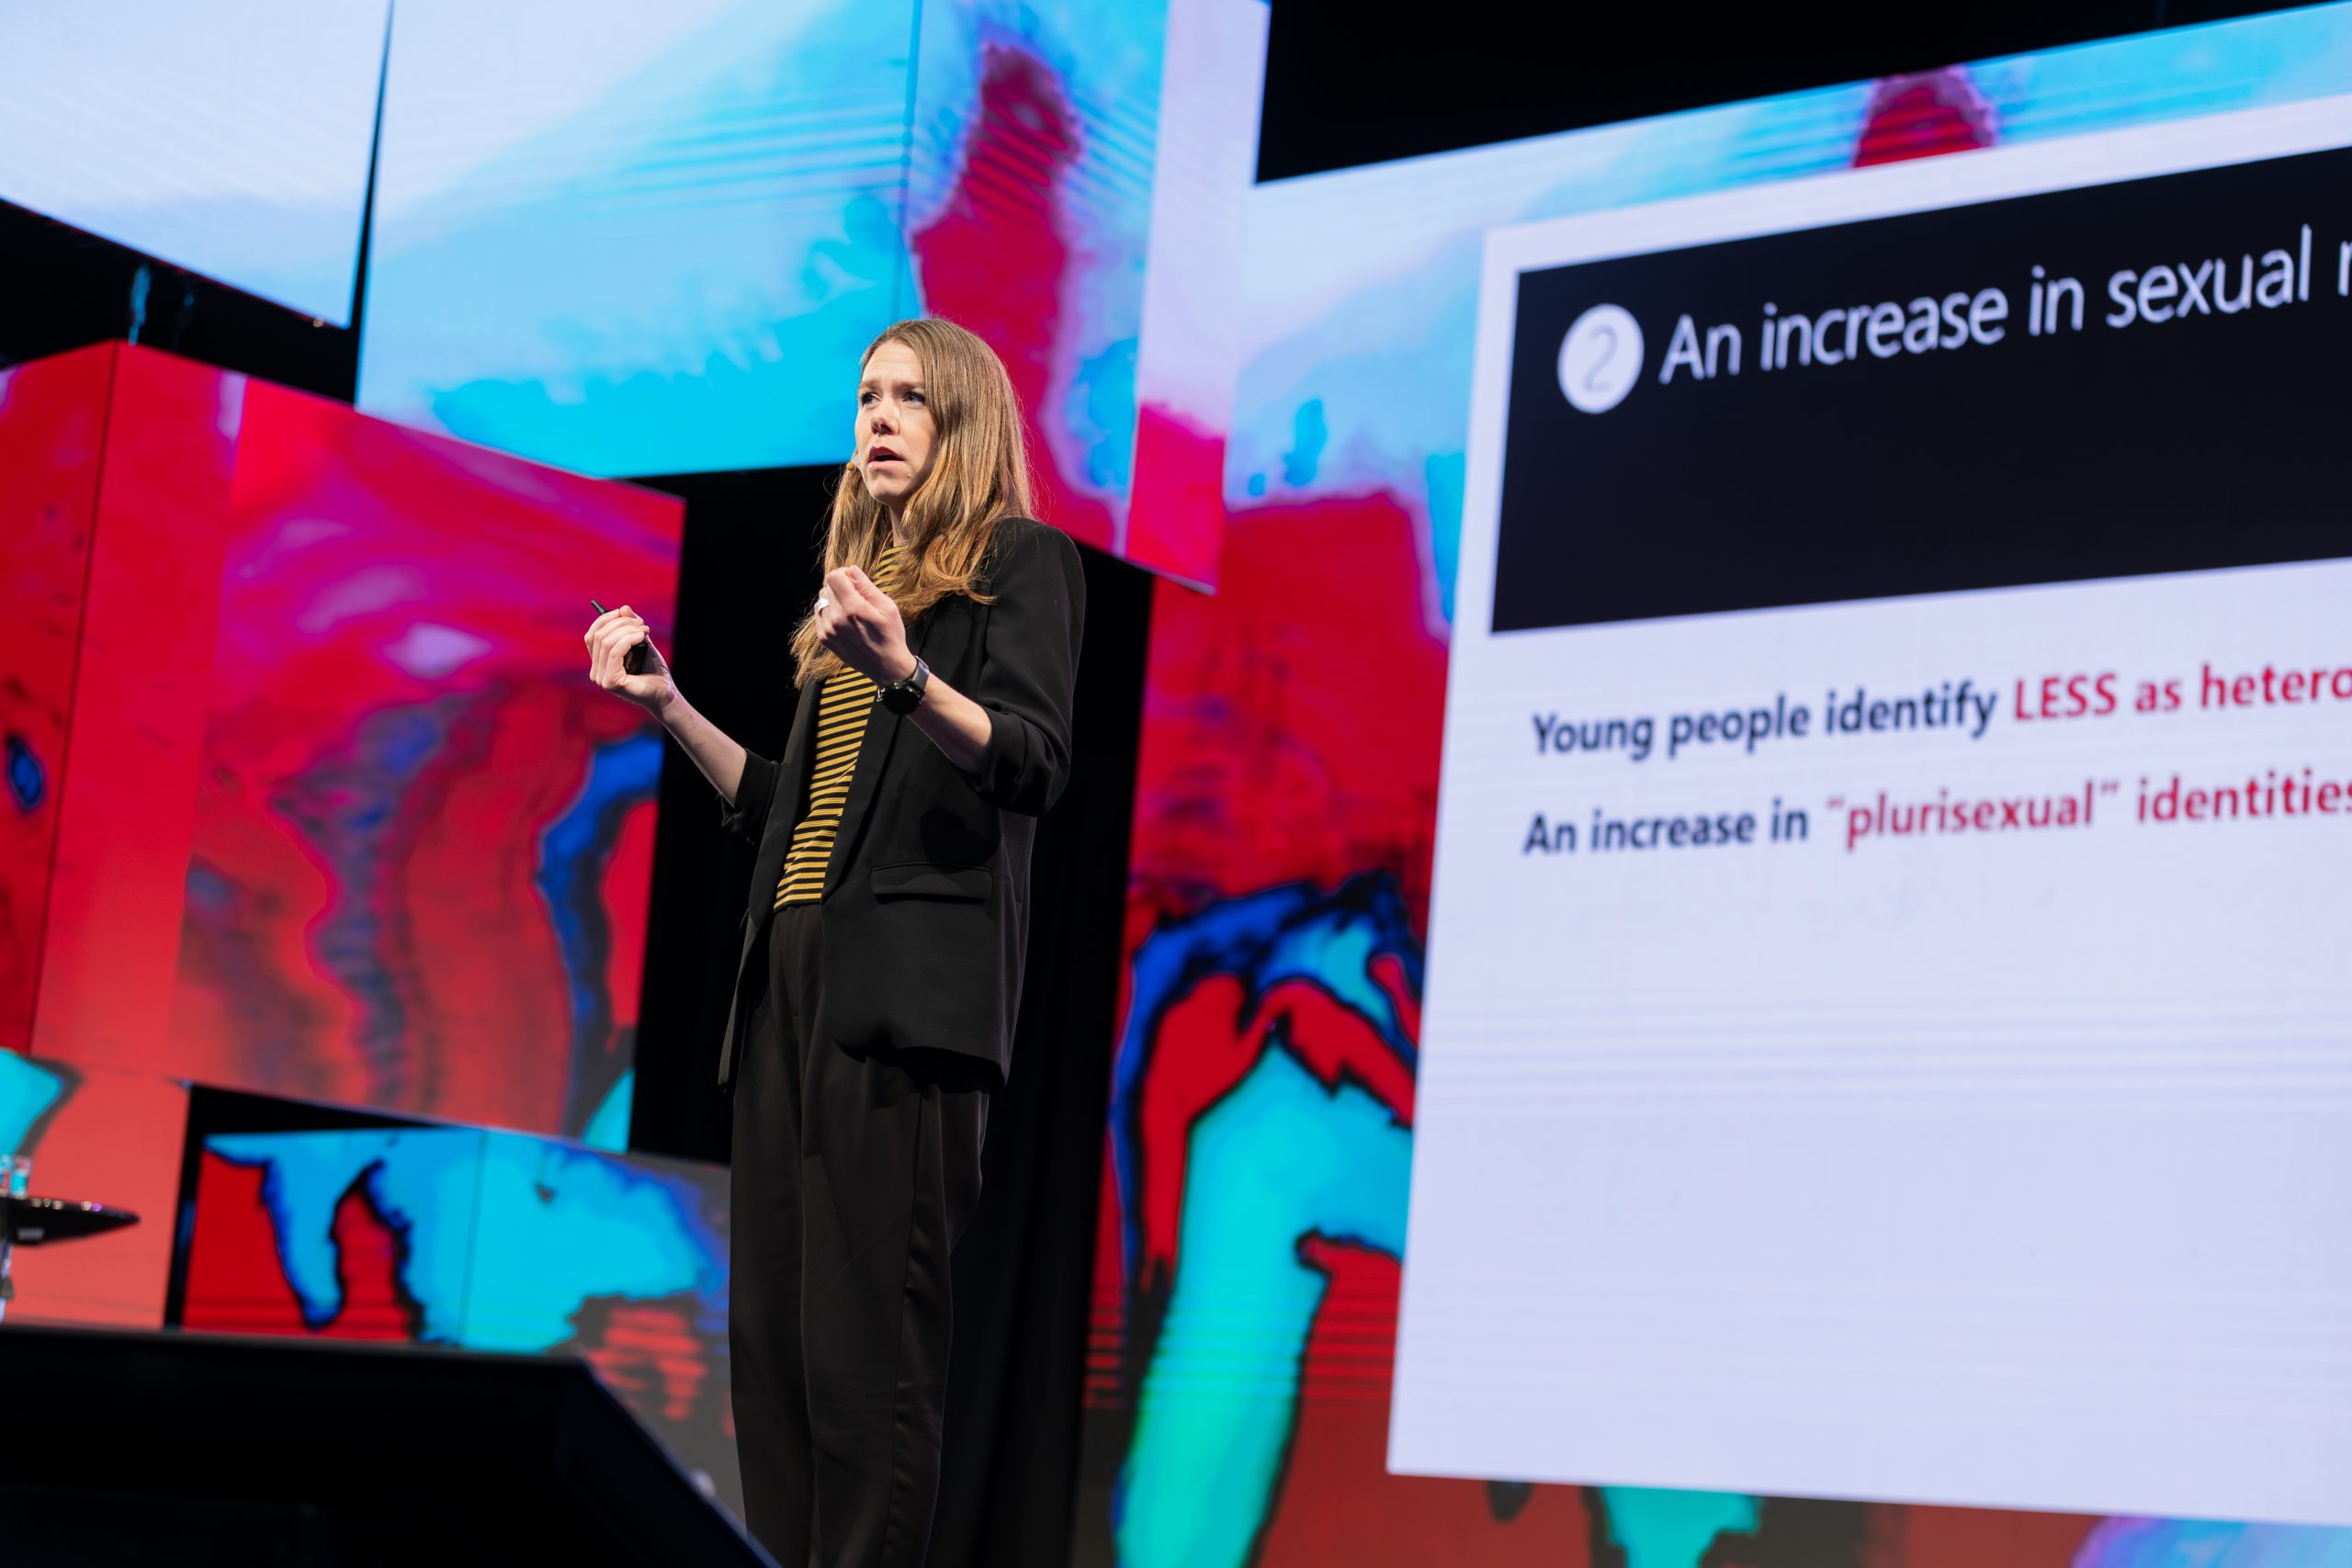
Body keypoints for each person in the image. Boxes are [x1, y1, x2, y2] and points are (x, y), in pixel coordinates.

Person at [583, 317, 1085, 1566]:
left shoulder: (1018, 566)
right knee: (780, 1367)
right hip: (789, 998)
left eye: (910, 397)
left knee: (869, 1372)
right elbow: (782, 819)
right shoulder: (853, 616)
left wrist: (910, 674)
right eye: (867, 395)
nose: (879, 417)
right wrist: (670, 706)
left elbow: (1030, 761)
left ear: (961, 422)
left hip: (903, 1014)